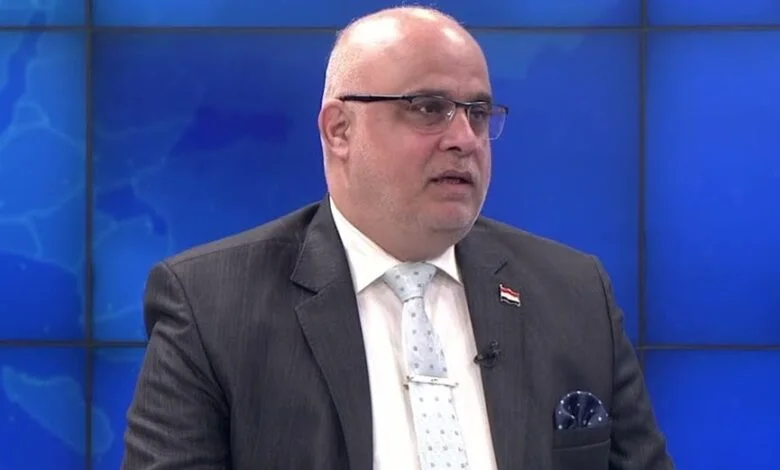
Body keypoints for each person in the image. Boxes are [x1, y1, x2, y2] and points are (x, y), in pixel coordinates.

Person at [121, 6, 674, 470]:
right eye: (429, 108)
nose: (464, 139)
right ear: (339, 130)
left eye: (478, 113)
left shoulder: (575, 295)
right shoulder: (211, 307)